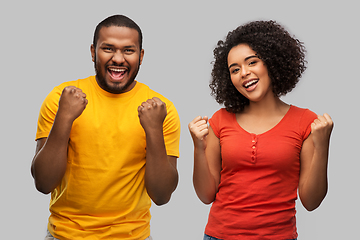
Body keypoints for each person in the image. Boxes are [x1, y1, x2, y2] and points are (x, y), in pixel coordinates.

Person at [31, 15, 180, 240]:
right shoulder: (61, 98)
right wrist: (65, 117)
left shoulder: (160, 109)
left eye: (128, 50)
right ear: (93, 52)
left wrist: (153, 131)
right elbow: (43, 183)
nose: (118, 59)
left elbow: (162, 196)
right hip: (65, 235)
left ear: (141, 56)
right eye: (108, 48)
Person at [188, 20, 333, 240]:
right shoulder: (220, 120)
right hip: (219, 236)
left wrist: (322, 146)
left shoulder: (306, 121)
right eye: (234, 70)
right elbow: (206, 195)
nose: (243, 73)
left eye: (252, 62)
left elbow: (311, 201)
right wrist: (198, 147)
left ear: (272, 62)